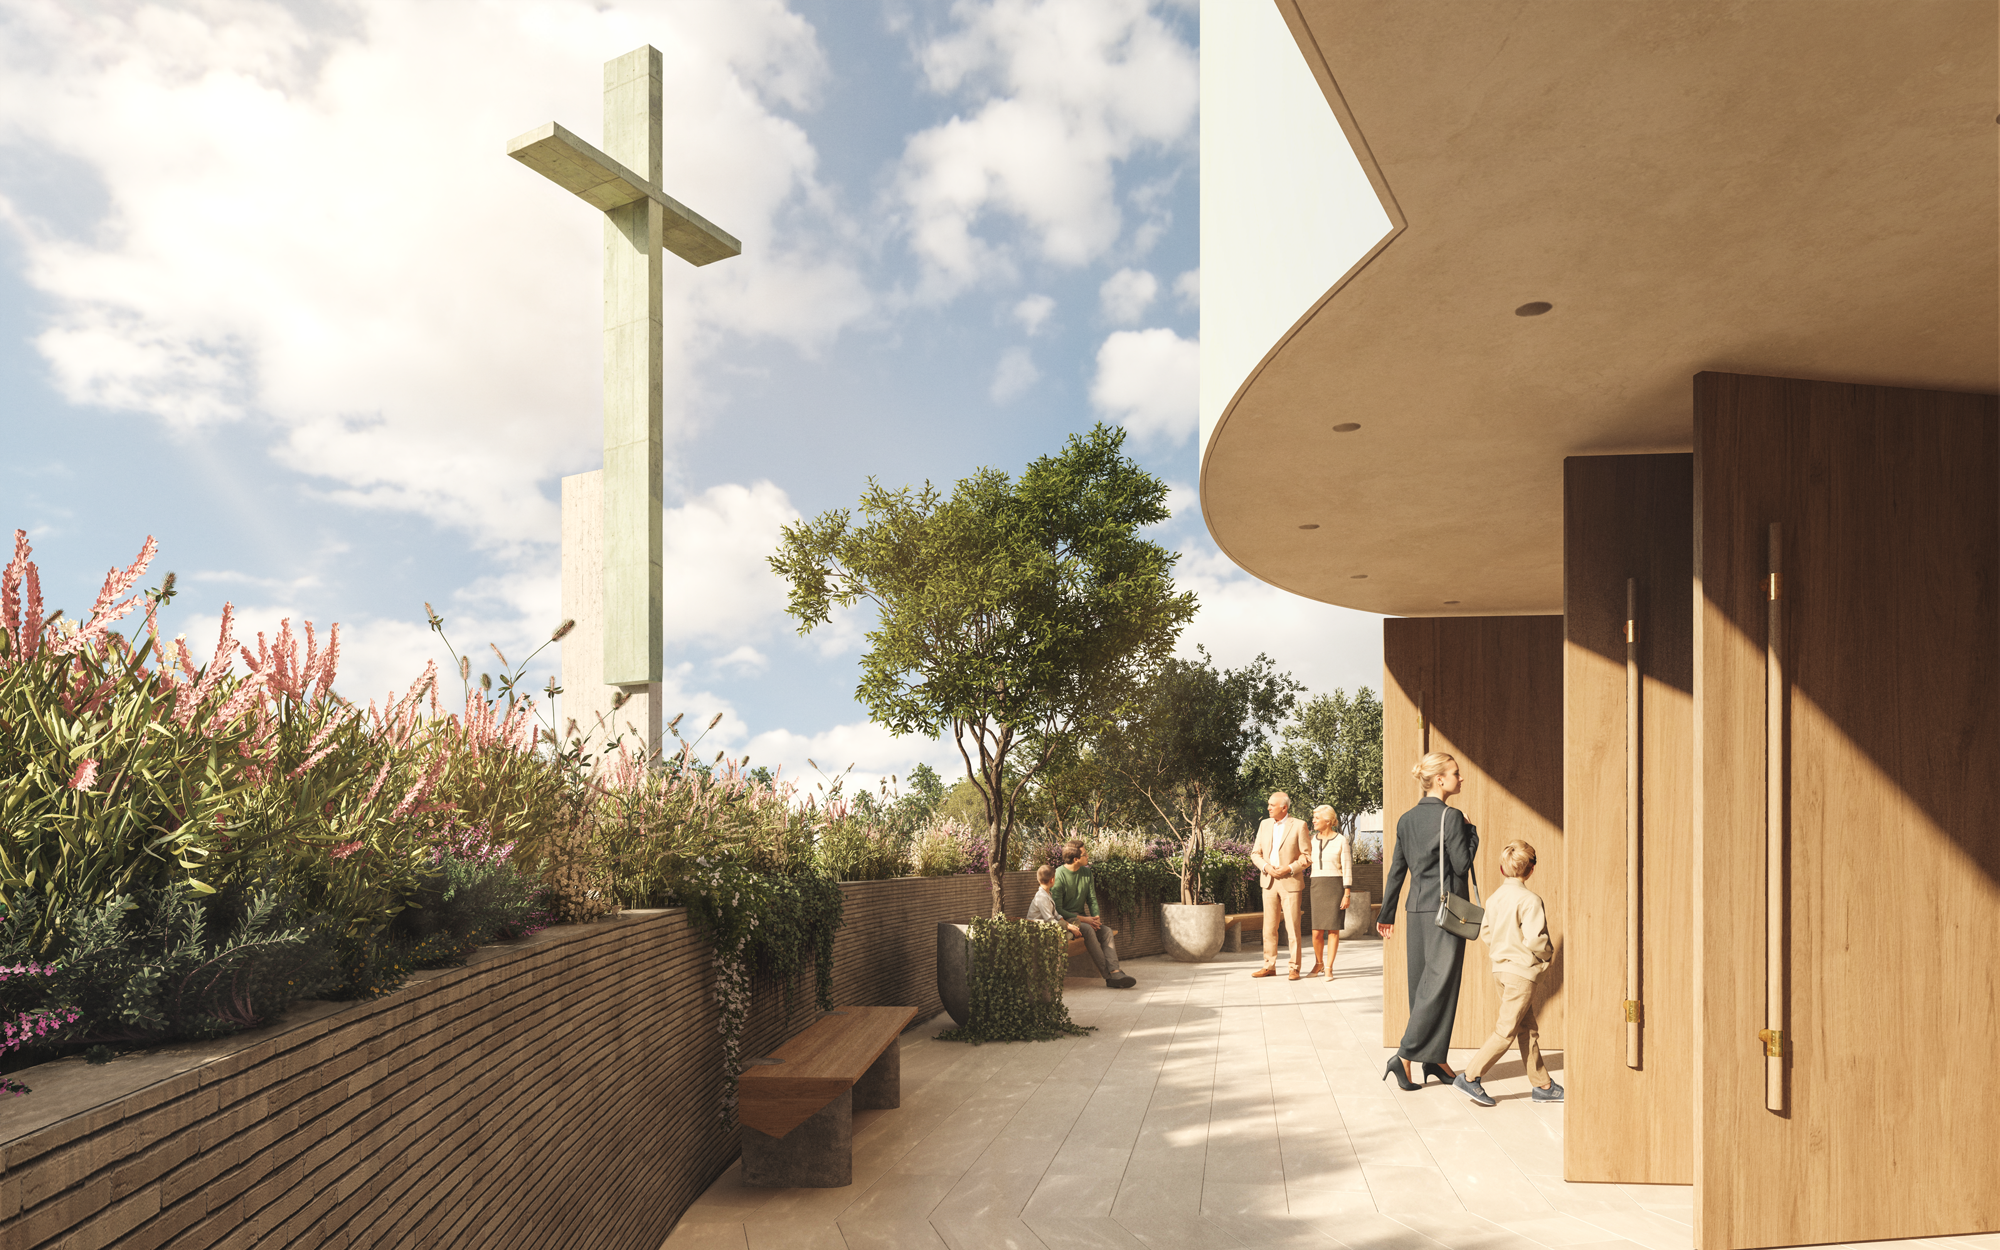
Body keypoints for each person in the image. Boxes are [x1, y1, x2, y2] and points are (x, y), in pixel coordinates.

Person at [1376, 752, 1479, 1091]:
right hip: (1445, 913)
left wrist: (1386, 914)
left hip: (1416, 910)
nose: (1460, 778)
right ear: (1439, 780)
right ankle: (1404, 1056)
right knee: (1438, 986)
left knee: (1424, 986)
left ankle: (1435, 1060)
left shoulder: (1406, 819)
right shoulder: (1451, 817)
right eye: (1455, 773)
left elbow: (1396, 870)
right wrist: (1470, 830)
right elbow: (1462, 865)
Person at [1454, 840, 1562, 1106]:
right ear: (1531, 870)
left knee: (1527, 1028)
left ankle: (1542, 1085)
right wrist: (1546, 956)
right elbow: (1537, 940)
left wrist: (1504, 949)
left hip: (1500, 971)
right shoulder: (1530, 900)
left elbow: (1487, 932)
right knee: (1506, 1031)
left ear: (1503, 870)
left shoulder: (1494, 898)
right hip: (1520, 974)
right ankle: (1469, 1077)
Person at [1053, 840, 1137, 989]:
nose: (1088, 856)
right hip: (1066, 920)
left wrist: (1096, 918)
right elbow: (1058, 910)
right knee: (1088, 929)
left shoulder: (1086, 872)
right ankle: (1109, 976)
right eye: (1085, 854)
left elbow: (1092, 899)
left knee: (1106, 932)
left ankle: (1115, 971)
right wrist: (1085, 919)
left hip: (1082, 918)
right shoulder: (1059, 875)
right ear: (1075, 859)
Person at [1250, 792, 1310, 979]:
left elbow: (1306, 857)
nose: (1268, 808)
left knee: (1292, 926)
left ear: (1284, 808)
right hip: (1268, 882)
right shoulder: (1264, 824)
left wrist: (1290, 869)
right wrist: (1267, 867)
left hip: (1290, 882)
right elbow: (1255, 853)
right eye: (1268, 804)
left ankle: (1294, 967)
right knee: (1268, 927)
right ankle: (1269, 966)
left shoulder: (1299, 825)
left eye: (1271, 805)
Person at [1305, 804, 1353, 979]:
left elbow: (1347, 867)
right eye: (1314, 817)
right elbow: (1305, 860)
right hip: (1317, 885)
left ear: (1327, 820)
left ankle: (1329, 968)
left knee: (1333, 930)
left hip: (1335, 886)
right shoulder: (1311, 841)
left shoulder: (1341, 840)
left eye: (1317, 818)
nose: (1314, 820)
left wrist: (1346, 893)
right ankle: (1319, 963)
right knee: (1316, 931)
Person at [1026, 864, 1078, 936]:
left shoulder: (1047, 894)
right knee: (1070, 935)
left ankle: (1071, 931)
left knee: (1075, 921)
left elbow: (1055, 914)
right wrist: (1069, 927)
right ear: (1052, 879)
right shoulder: (1042, 897)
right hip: (1037, 929)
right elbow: (1050, 920)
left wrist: (1068, 924)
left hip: (1050, 925)